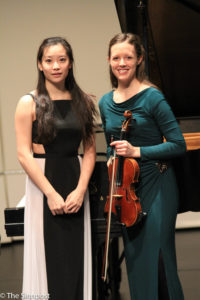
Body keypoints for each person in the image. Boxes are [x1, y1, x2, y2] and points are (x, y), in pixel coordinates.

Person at [98, 33, 186, 300]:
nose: (121, 62)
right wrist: (113, 158)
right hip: (127, 191)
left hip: (157, 184)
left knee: (159, 258)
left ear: (138, 60)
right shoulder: (105, 102)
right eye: (116, 57)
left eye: (128, 57)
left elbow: (178, 144)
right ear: (109, 61)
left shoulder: (152, 98)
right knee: (137, 262)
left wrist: (137, 151)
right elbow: (110, 144)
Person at [15, 37, 97, 300]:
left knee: (76, 256)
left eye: (62, 60)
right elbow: (23, 153)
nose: (56, 66)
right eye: (49, 60)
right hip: (43, 185)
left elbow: (90, 150)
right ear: (40, 64)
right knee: (49, 256)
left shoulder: (83, 101)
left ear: (70, 63)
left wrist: (81, 190)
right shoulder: (28, 102)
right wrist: (50, 193)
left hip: (75, 182)